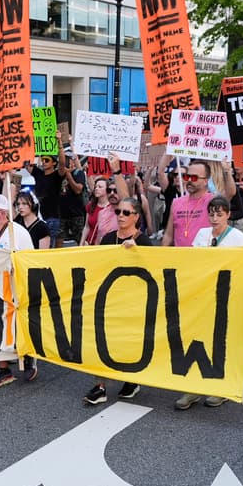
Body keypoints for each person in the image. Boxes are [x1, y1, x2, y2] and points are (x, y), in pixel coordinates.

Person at [173, 196, 243, 411]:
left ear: (228, 215)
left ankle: (220, 388)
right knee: (197, 338)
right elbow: (194, 262)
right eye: (211, 214)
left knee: (222, 341)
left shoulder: (237, 237)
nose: (215, 218)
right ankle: (193, 387)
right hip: (203, 294)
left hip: (228, 294)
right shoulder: (202, 234)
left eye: (219, 214)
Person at [82, 197, 152, 405]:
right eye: (118, 211)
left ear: (136, 217)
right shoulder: (108, 238)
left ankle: (131, 380)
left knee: (128, 342)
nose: (121, 216)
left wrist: (137, 252)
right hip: (109, 299)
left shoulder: (144, 241)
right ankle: (100, 386)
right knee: (100, 340)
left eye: (126, 212)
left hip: (133, 302)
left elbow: (153, 272)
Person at [0, 193, 36, 389]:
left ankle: (28, 357)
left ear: (3, 213)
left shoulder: (18, 233)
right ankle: (3, 368)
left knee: (19, 325)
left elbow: (30, 262)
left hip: (16, 288)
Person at [161, 160, 213, 247]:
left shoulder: (212, 200)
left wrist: (227, 172)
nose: (189, 180)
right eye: (186, 176)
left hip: (203, 254)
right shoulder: (176, 202)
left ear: (205, 181)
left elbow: (230, 192)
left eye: (194, 178)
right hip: (180, 254)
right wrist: (162, 252)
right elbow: (168, 235)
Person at [30, 136, 67, 245]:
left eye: (47, 160)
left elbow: (62, 163)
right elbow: (27, 163)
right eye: (42, 159)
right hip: (38, 217)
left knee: (49, 246)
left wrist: (59, 142)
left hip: (52, 218)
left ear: (54, 163)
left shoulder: (56, 176)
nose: (44, 162)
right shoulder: (38, 173)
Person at [58, 153, 87, 245]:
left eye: (67, 160)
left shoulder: (78, 173)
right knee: (60, 242)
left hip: (76, 215)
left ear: (72, 161)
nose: (65, 162)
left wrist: (68, 174)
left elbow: (78, 190)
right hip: (62, 216)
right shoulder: (58, 175)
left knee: (79, 241)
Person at [81, 177, 118, 245]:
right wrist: (81, 244)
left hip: (103, 245)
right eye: (95, 187)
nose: (96, 189)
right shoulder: (90, 205)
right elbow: (86, 227)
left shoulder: (112, 208)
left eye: (100, 187)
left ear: (107, 190)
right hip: (88, 244)